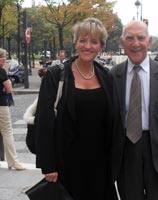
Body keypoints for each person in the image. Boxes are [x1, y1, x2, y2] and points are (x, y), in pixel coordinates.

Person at [35, 18, 117, 200]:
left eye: (94, 41)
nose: (87, 46)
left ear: (101, 46)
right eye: (83, 40)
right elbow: (44, 121)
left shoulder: (106, 77)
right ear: (75, 42)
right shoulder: (56, 76)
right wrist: (48, 165)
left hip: (100, 164)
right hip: (67, 163)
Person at [110, 20, 158, 200]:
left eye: (140, 38)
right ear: (122, 42)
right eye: (130, 38)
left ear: (149, 41)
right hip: (126, 152)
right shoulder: (113, 75)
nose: (135, 43)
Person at [0, 48, 25, 170]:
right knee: (7, 132)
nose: (4, 59)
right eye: (1, 57)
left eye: (4, 56)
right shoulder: (2, 72)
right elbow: (9, 89)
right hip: (1, 105)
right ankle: (13, 162)